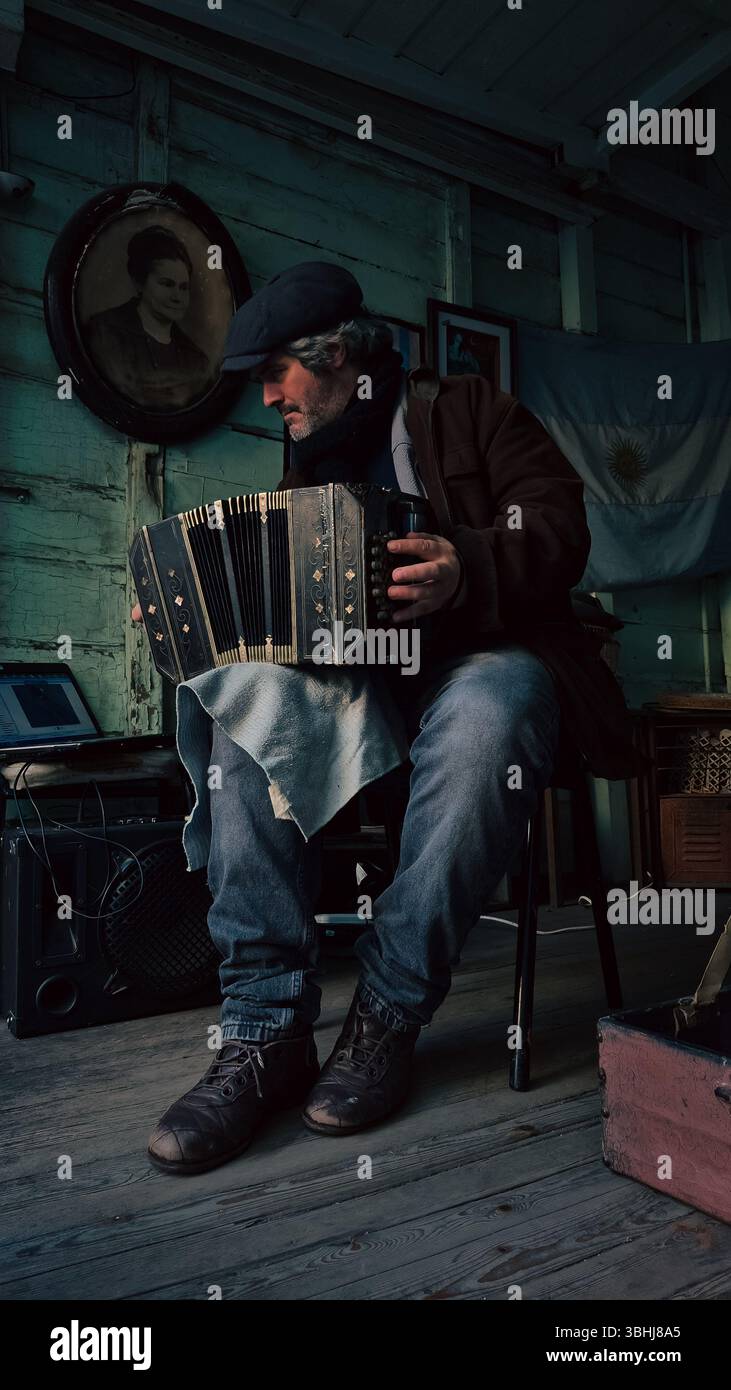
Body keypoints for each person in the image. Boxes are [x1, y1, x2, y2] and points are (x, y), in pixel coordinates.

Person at [136, 261, 640, 1176]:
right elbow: (279, 610)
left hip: (483, 657)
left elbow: (559, 529)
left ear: (332, 357)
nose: (266, 396)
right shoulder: (304, 466)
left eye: (275, 374)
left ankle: (387, 1014)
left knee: (492, 710)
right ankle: (263, 1031)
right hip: (362, 685)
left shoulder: (471, 407)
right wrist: (188, 604)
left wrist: (467, 565)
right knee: (240, 697)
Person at [85, 224, 212, 409]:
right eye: (166, 284)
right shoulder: (104, 333)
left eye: (183, 287)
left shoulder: (196, 360)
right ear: (139, 283)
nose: (177, 297)